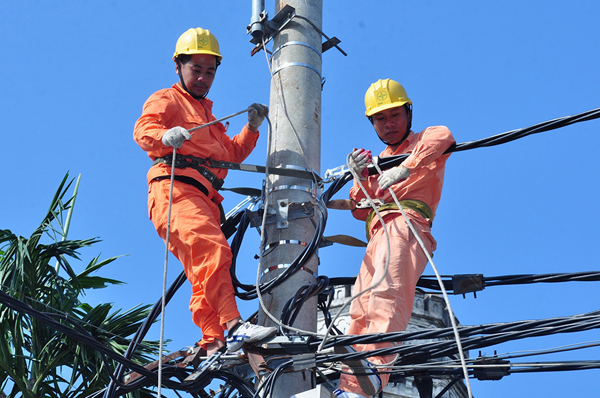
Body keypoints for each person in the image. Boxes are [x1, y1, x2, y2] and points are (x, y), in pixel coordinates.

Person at [133, 27, 277, 356]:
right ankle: (235, 327)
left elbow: (230, 156)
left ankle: (213, 342)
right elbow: (144, 129)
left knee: (206, 270)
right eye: (195, 70)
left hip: (204, 198)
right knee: (212, 252)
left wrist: (251, 128)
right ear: (178, 67)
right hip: (175, 192)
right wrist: (164, 138)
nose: (202, 78)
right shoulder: (167, 99)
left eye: (209, 72)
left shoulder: (209, 117)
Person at [333, 79, 455, 398]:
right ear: (371, 123)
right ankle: (351, 387)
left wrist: (405, 168)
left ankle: (377, 366)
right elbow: (360, 208)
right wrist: (360, 175)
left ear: (408, 112)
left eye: (394, 115)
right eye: (380, 119)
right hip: (378, 231)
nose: (388, 124)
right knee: (361, 305)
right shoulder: (378, 161)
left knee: (388, 290)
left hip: (407, 222)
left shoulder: (424, 140)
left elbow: (445, 136)